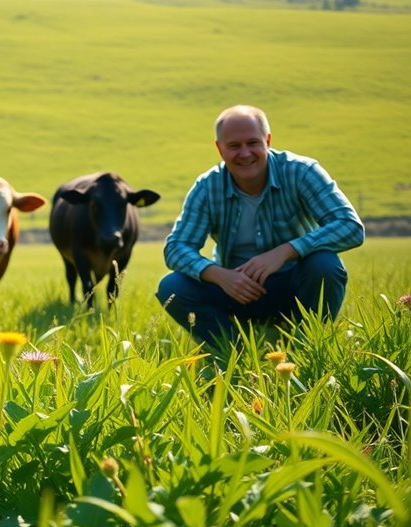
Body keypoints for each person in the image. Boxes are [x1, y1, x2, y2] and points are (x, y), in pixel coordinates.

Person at [156, 105, 365, 348]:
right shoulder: (207, 187)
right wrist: (219, 275)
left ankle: (306, 347)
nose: (245, 153)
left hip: (295, 286)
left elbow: (350, 226)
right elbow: (176, 247)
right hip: (235, 291)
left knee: (325, 265)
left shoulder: (301, 172)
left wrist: (286, 251)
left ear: (268, 140)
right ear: (219, 148)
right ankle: (234, 351)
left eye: (253, 143)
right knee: (172, 287)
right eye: (234, 146)